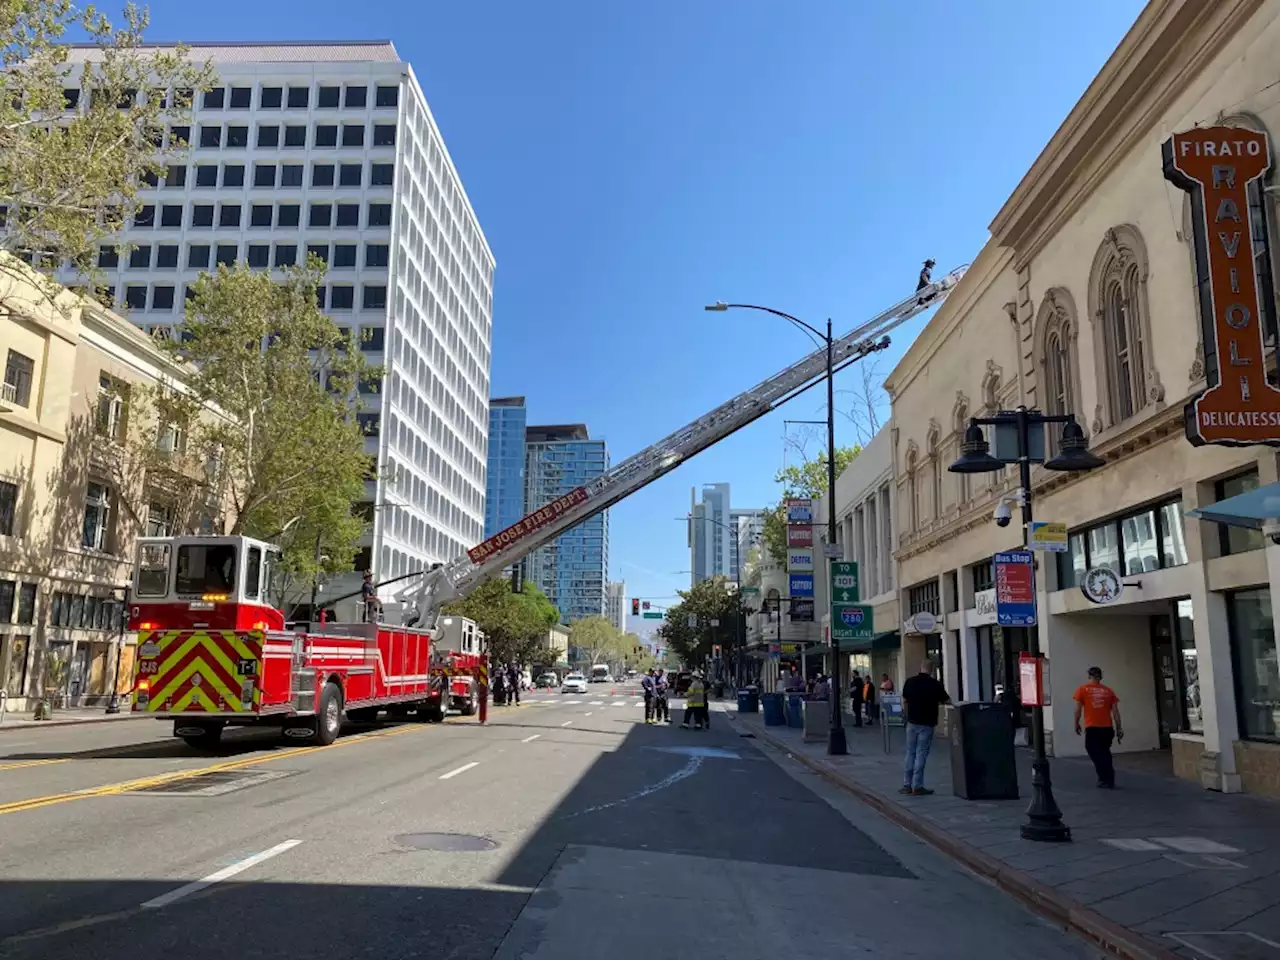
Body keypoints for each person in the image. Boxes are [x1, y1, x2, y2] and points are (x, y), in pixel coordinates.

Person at [900, 659, 951, 796]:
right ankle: (918, 785)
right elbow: (947, 700)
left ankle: (906, 784)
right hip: (927, 723)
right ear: (932, 670)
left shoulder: (910, 682)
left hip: (912, 722)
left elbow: (904, 700)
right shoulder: (935, 684)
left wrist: (906, 715)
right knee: (921, 753)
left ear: (921, 667)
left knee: (910, 752)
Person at [1074, 666, 1123, 788]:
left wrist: (1076, 723)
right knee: (1105, 752)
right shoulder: (1108, 691)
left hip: (1093, 727)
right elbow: (1116, 712)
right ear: (1100, 677)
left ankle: (1103, 777)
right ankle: (1109, 778)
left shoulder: (1082, 690)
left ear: (1089, 676)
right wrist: (1119, 728)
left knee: (1093, 751)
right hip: (1107, 727)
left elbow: (1078, 709)